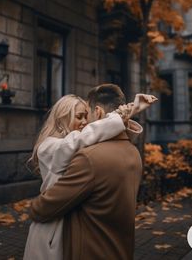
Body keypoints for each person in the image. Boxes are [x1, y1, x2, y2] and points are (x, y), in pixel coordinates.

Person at [24, 90, 158, 260]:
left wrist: (125, 114)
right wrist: (122, 114)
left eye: (86, 116)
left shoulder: (80, 145)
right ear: (61, 121)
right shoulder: (49, 147)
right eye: (79, 116)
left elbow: (108, 142)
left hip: (65, 222)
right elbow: (83, 139)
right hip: (50, 228)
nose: (85, 122)